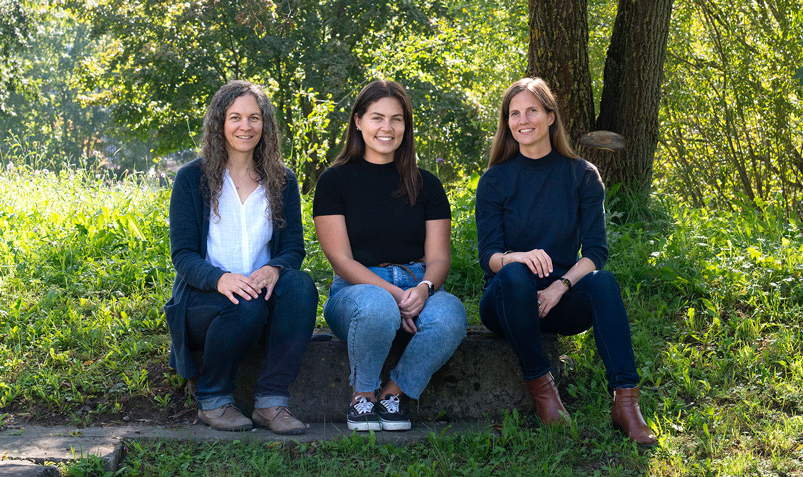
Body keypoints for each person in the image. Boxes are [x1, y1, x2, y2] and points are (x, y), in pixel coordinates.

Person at [474, 77, 656, 445]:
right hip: (507, 300)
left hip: (559, 300)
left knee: (603, 282)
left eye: (532, 111)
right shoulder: (494, 180)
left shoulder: (582, 175)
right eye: (514, 113)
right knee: (514, 276)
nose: (522, 120)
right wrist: (518, 258)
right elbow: (488, 256)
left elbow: (596, 253)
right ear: (506, 122)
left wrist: (561, 285)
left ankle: (626, 402)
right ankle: (543, 391)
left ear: (551, 116)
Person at [313, 80, 467, 431]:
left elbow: (439, 258)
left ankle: (392, 393)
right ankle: (362, 397)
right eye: (377, 117)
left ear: (406, 126)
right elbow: (342, 261)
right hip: (356, 293)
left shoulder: (426, 184)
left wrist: (424, 289)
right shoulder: (334, 182)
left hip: (418, 287)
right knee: (377, 305)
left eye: (396, 119)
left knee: (451, 315)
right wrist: (395, 297)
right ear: (358, 121)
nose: (387, 128)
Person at [165, 80, 317, 434]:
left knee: (301, 286)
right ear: (220, 122)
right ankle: (214, 400)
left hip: (261, 294)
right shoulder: (192, 178)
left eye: (254, 118)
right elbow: (183, 255)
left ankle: (271, 404)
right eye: (235, 117)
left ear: (265, 125)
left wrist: (275, 268)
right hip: (205, 301)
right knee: (243, 305)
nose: (245, 126)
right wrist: (220, 279)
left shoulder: (282, 180)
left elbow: (293, 246)